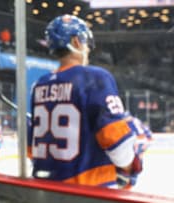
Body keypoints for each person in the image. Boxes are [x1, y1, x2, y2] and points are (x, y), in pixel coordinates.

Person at [27, 14, 142, 188]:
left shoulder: (39, 85)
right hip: (86, 191)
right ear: (76, 42)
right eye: (86, 43)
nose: (88, 49)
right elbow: (118, 143)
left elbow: (31, 150)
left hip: (46, 191)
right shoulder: (95, 77)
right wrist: (129, 166)